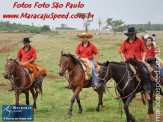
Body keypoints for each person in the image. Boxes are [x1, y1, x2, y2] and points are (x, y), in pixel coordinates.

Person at [119, 27, 151, 100]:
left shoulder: (140, 40)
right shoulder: (125, 41)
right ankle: (120, 92)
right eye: (130, 35)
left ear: (135, 34)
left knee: (146, 72)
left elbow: (144, 51)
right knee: (120, 74)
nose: (131, 36)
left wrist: (143, 59)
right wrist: (123, 59)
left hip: (138, 61)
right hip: (127, 61)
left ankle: (146, 91)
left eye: (132, 35)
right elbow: (121, 51)